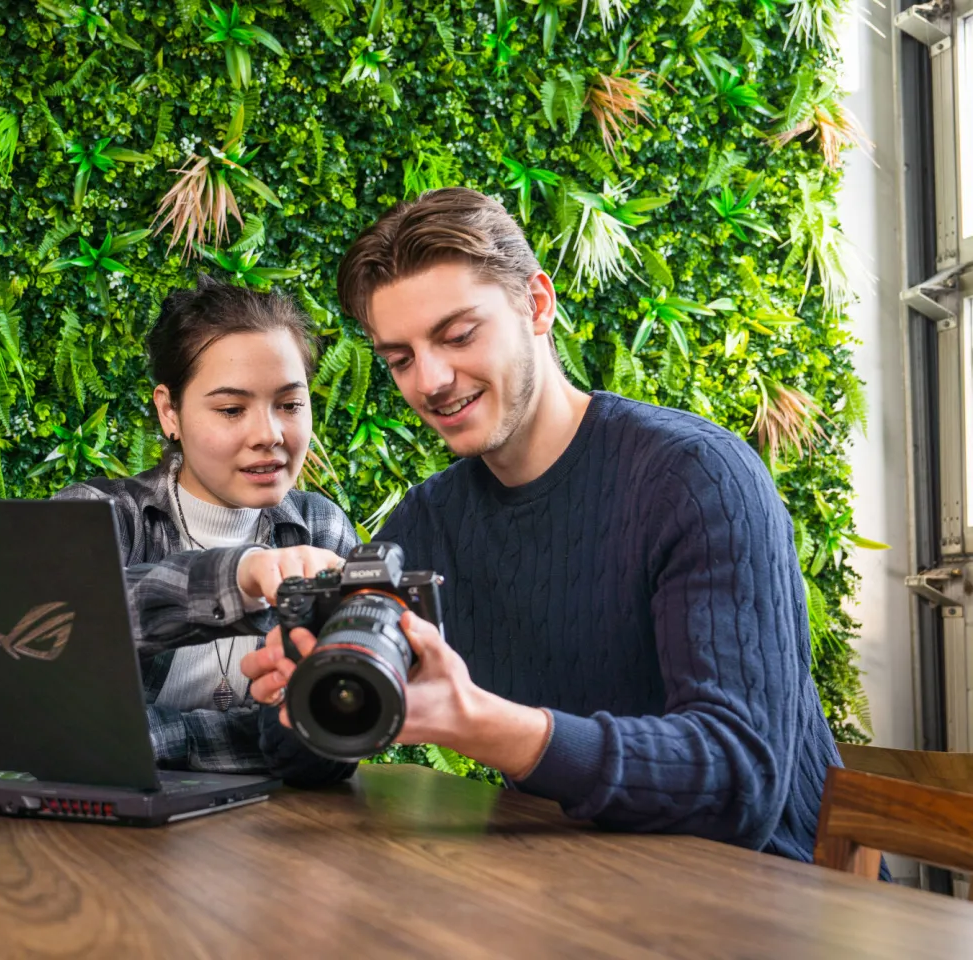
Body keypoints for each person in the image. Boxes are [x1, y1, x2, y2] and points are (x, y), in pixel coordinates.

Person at [241, 187, 845, 861]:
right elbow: (300, 765)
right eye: (400, 359)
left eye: (458, 335)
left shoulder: (696, 478)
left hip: (764, 894)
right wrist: (313, 670)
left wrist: (486, 727)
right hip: (576, 873)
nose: (432, 380)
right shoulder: (430, 520)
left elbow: (738, 782)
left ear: (537, 305)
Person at [54, 275, 358, 786]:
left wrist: (157, 739)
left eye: (289, 404)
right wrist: (239, 576)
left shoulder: (321, 530)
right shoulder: (99, 517)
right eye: (231, 410)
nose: (269, 435)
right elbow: (61, 634)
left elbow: (327, 744)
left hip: (279, 838)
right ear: (169, 411)